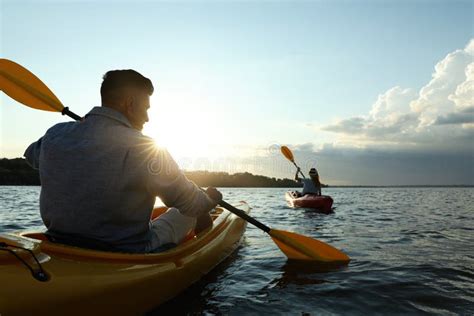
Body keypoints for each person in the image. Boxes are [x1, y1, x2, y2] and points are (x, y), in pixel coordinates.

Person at [24, 69, 221, 253]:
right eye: (145, 108)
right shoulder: (144, 147)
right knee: (189, 211)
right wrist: (210, 199)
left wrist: (80, 136)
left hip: (59, 242)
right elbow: (192, 204)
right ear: (130, 104)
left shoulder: (55, 134)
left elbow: (31, 156)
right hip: (126, 249)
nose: (147, 118)